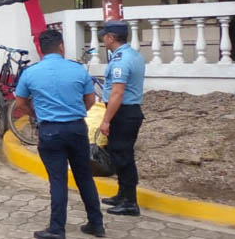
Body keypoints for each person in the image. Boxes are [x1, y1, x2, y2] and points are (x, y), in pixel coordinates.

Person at [14, 29, 105, 239]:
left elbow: (20, 102)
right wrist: (74, 112)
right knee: (84, 177)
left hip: (50, 131)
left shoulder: (30, 73)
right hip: (76, 129)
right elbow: (90, 100)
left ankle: (57, 229)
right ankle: (96, 224)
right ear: (61, 47)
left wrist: (36, 113)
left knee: (58, 180)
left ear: (40, 49)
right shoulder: (78, 70)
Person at [98, 20, 145, 217]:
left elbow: (117, 93)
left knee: (124, 157)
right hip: (127, 111)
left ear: (111, 37)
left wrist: (106, 120)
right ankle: (122, 194)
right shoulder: (131, 54)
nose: (103, 39)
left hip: (123, 113)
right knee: (119, 155)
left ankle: (130, 203)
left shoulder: (121, 60)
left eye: (104, 36)